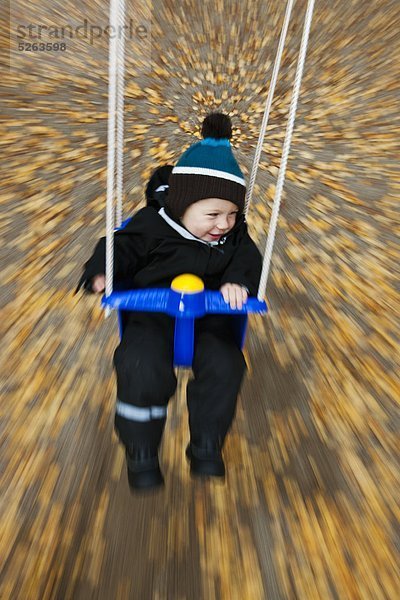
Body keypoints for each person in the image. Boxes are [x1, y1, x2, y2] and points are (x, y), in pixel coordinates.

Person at [76, 113, 262, 491]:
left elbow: (249, 259)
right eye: (213, 214)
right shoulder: (152, 226)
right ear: (182, 206)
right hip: (152, 316)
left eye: (231, 214)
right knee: (139, 364)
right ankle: (140, 450)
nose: (223, 224)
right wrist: (102, 272)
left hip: (211, 319)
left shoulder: (233, 235)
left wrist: (236, 282)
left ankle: (207, 444)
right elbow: (118, 247)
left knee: (227, 364)